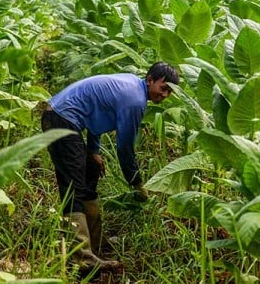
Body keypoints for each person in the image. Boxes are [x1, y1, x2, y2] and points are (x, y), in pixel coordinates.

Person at [40, 62, 179, 271]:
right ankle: (82, 258)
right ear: (150, 80)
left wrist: (94, 151)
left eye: (170, 91)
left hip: (63, 117)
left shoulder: (132, 84)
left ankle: (96, 245)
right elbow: (124, 148)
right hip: (61, 119)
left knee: (89, 175)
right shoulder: (135, 101)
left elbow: (97, 114)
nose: (165, 95)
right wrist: (136, 183)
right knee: (73, 188)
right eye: (163, 87)